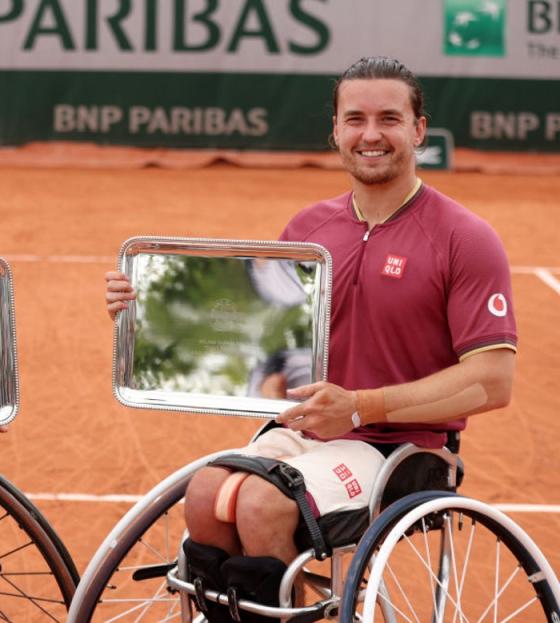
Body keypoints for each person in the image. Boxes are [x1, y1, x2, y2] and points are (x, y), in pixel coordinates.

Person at [104, 56, 516, 622]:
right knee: (203, 495)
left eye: (389, 119)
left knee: (260, 504)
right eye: (355, 119)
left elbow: (494, 381)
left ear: (419, 130)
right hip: (303, 434)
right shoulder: (306, 231)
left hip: (402, 451)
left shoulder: (465, 238)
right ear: (336, 131)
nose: (371, 135)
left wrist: (360, 407)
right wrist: (147, 315)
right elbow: (258, 340)